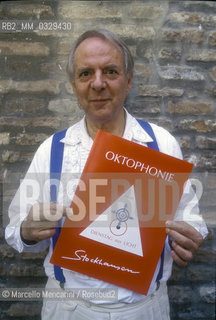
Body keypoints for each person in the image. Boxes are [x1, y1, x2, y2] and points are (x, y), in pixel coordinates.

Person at [5, 29, 208, 320]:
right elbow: (14, 230)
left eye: (110, 71)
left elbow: (192, 220)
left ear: (129, 80)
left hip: (144, 309)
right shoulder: (51, 150)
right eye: (85, 74)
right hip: (69, 309)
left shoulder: (162, 144)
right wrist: (27, 230)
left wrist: (189, 236)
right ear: (74, 85)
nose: (97, 84)